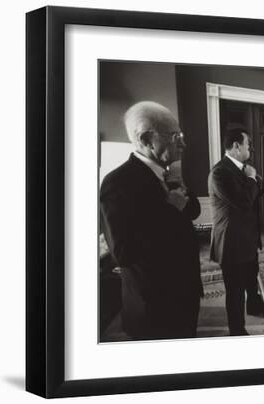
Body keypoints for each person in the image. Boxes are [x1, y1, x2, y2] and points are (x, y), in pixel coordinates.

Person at [100, 101, 203, 340]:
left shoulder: (168, 173)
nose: (184, 144)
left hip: (185, 294)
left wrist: (182, 201)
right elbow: (124, 253)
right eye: (176, 137)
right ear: (146, 139)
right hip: (155, 308)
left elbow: (194, 211)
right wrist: (170, 211)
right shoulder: (117, 184)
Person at [208, 128, 264, 336]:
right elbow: (244, 201)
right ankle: (236, 330)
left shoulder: (242, 169)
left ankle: (254, 304)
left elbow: (259, 190)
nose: (251, 148)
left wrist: (256, 179)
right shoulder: (220, 172)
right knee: (235, 290)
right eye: (248, 144)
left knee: (251, 277)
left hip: (246, 238)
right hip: (232, 242)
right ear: (237, 147)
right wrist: (253, 178)